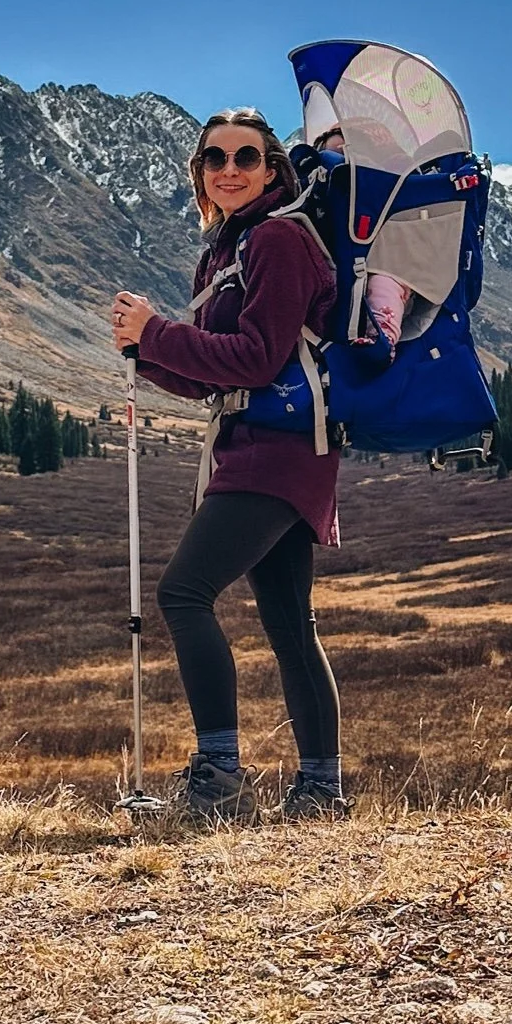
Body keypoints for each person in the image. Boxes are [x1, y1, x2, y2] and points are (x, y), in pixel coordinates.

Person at [110, 109, 347, 824]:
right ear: (201, 173)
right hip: (264, 445)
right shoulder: (226, 250)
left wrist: (159, 332)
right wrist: (144, 350)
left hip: (278, 451)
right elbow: (213, 375)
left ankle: (219, 780)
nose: (230, 169)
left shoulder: (278, 239)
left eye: (247, 157)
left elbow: (258, 358)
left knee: (185, 594)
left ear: (274, 168)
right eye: (215, 159)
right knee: (287, 621)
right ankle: (320, 791)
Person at [309, 126, 409, 364]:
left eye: (351, 151)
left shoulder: (387, 190)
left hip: (381, 266)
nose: (342, 158)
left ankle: (382, 336)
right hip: (337, 269)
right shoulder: (315, 198)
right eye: (335, 153)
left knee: (384, 284)